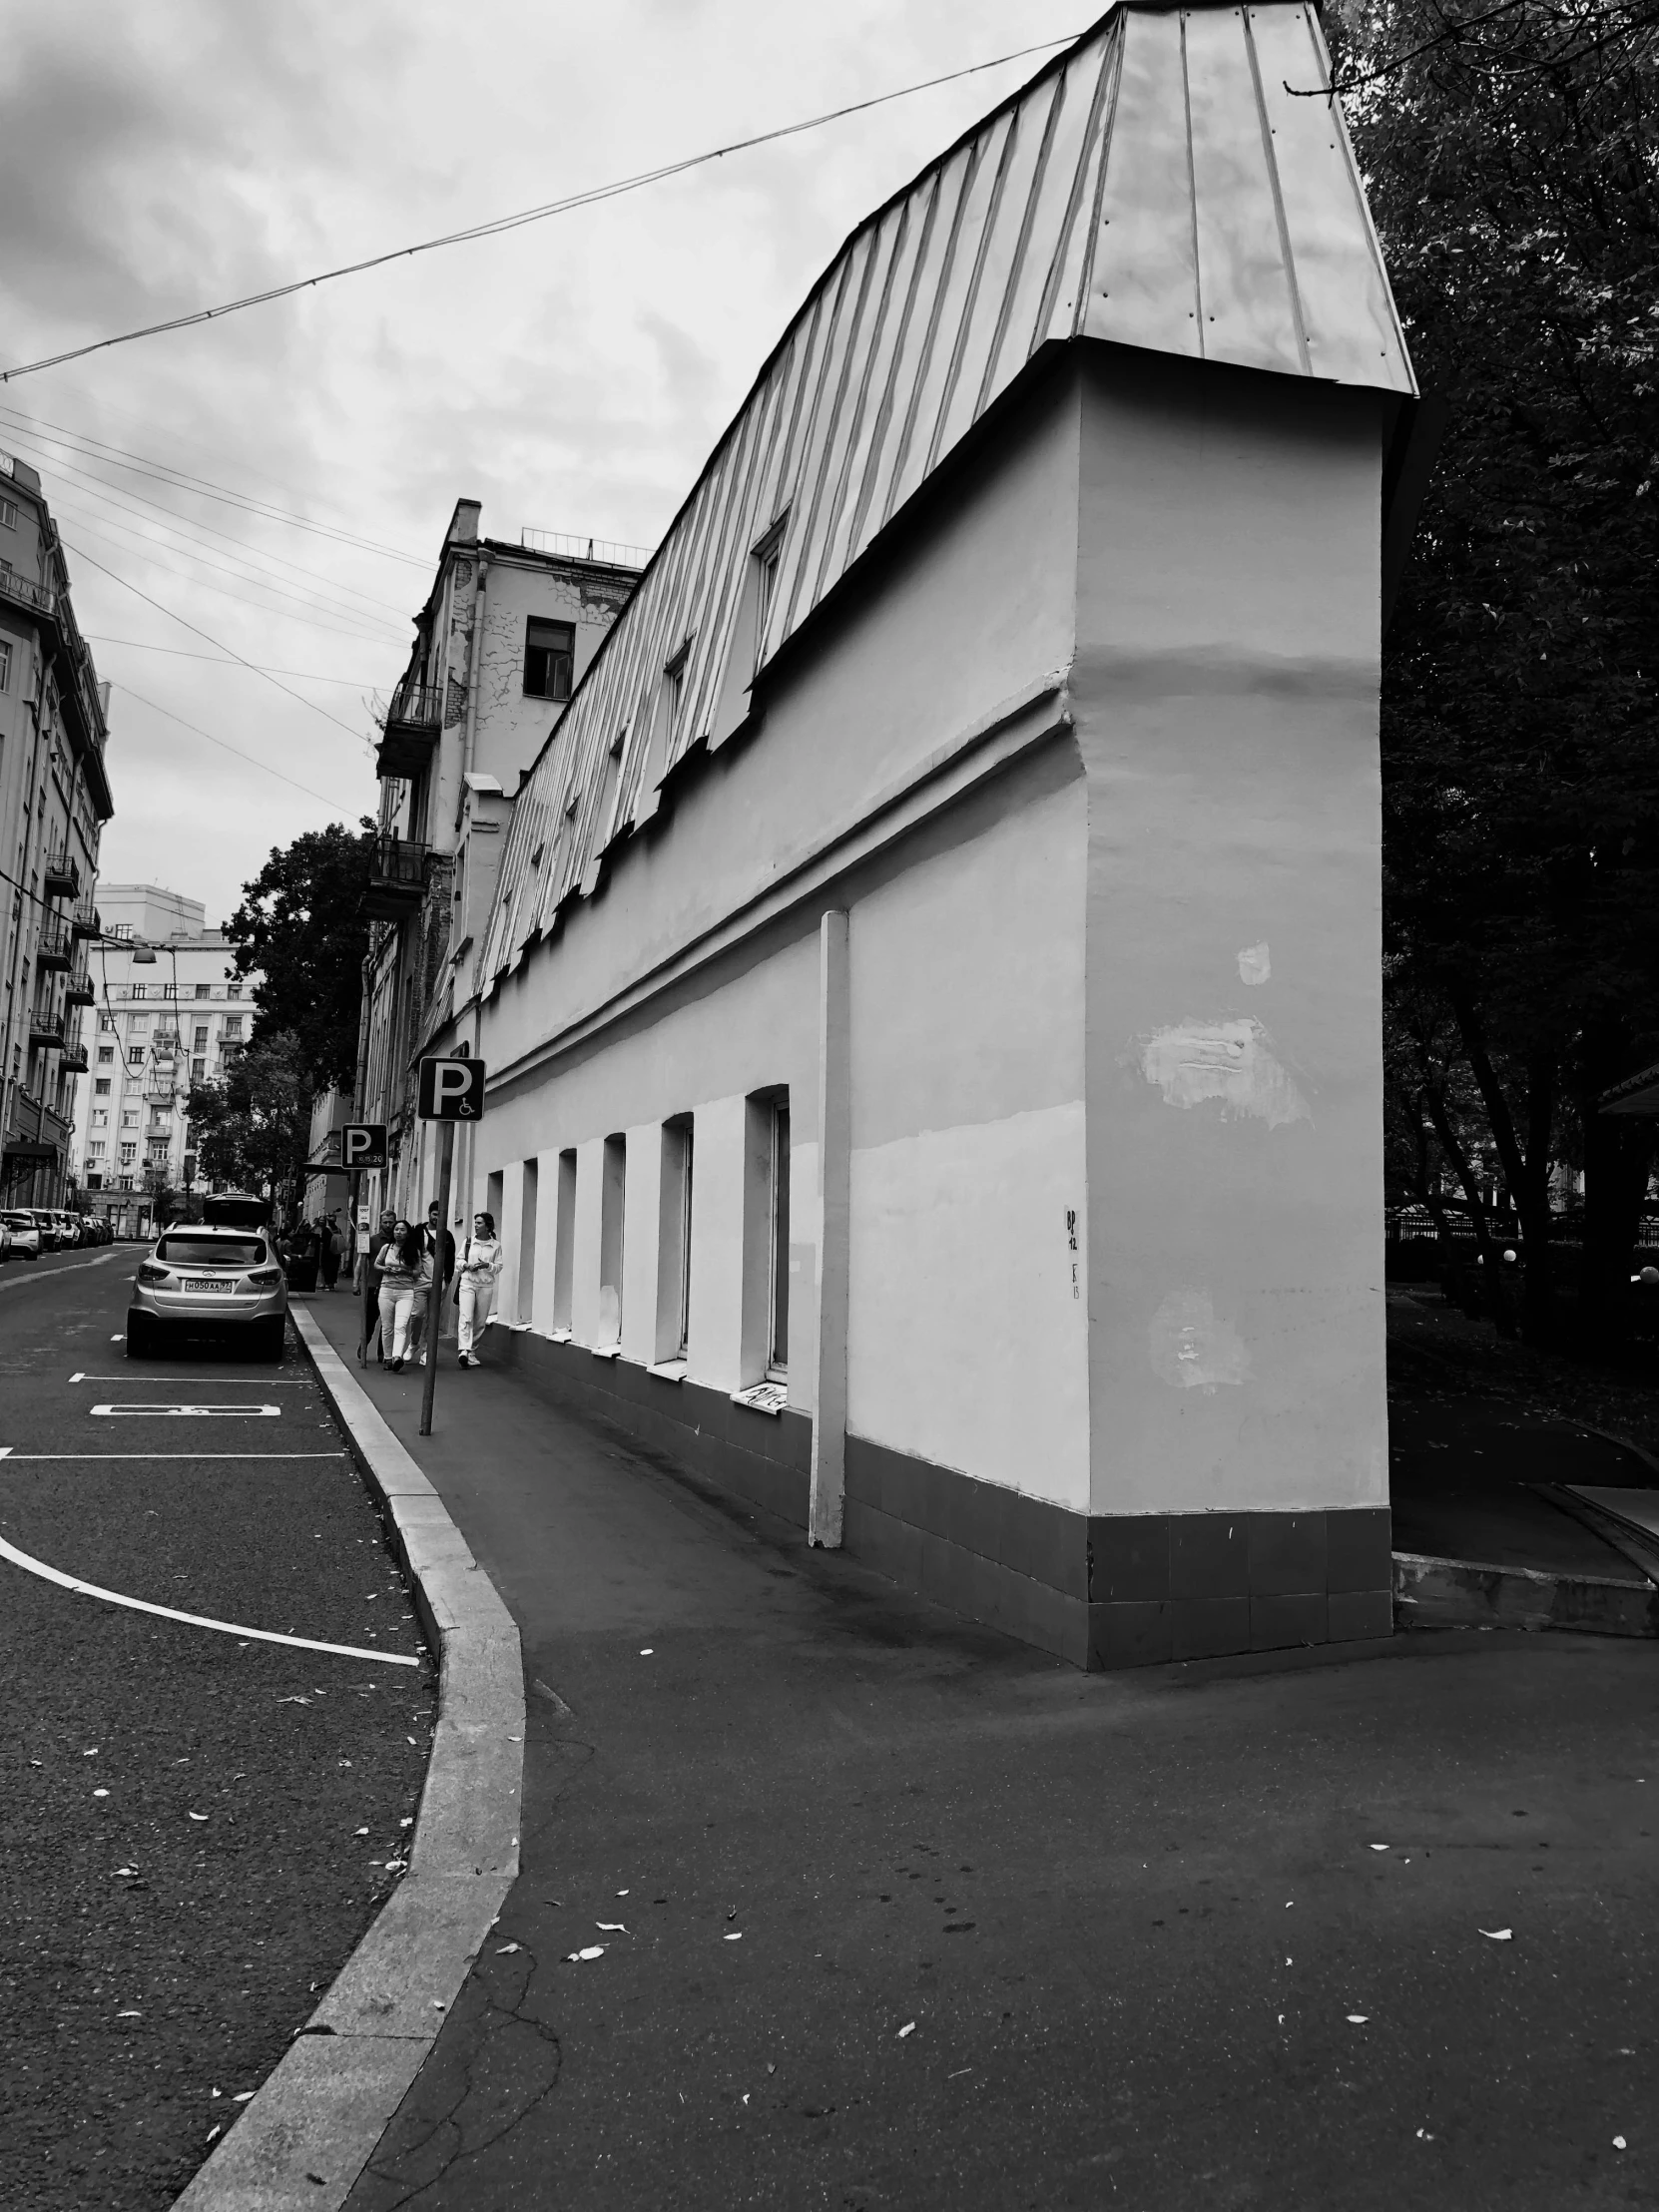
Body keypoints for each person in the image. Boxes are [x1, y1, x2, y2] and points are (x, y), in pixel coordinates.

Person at [376, 1219, 429, 1373]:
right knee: (387, 1327)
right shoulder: (387, 1248)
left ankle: (397, 1357)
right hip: (386, 1290)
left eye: (402, 1230)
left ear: (407, 1233)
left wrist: (405, 1271)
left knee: (401, 1325)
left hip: (406, 1292)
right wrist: (386, 1269)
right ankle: (387, 1357)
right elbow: (376, 1264)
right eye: (396, 1230)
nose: (398, 1233)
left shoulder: (414, 1251)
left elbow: (418, 1272)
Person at [453, 1212, 503, 1368]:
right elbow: (459, 1260)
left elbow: (499, 1267)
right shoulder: (468, 1242)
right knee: (465, 1317)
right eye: (475, 1222)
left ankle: (472, 1352)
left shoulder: (496, 1245)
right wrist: (466, 1265)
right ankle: (464, 1350)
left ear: (488, 1226)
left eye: (479, 1223)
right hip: (468, 1282)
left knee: (480, 1321)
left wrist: (486, 1265)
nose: (476, 1225)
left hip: (486, 1286)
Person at [412, 1202, 457, 1367]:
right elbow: (411, 1253)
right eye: (435, 1214)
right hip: (421, 1282)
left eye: (441, 1215)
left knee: (433, 1319)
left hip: (440, 1283)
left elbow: (451, 1258)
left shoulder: (447, 1235)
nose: (437, 1218)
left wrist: (448, 1278)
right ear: (429, 1214)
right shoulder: (418, 1232)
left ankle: (426, 1352)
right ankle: (414, 1342)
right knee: (417, 1315)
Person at [359, 1209, 396, 1366]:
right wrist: (357, 1282)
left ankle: (383, 1353)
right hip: (373, 1285)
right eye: (385, 1222)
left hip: (393, 1286)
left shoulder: (399, 1240)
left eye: (391, 1222)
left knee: (387, 1323)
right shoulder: (373, 1240)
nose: (388, 1225)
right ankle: (364, 1346)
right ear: (380, 1223)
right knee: (370, 1321)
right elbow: (362, 1261)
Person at [319, 1213, 341, 1293]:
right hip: (336, 1253)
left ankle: (327, 1284)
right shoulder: (338, 1229)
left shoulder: (326, 1229)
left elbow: (323, 1241)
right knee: (334, 1268)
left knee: (326, 1267)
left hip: (327, 1253)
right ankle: (332, 1284)